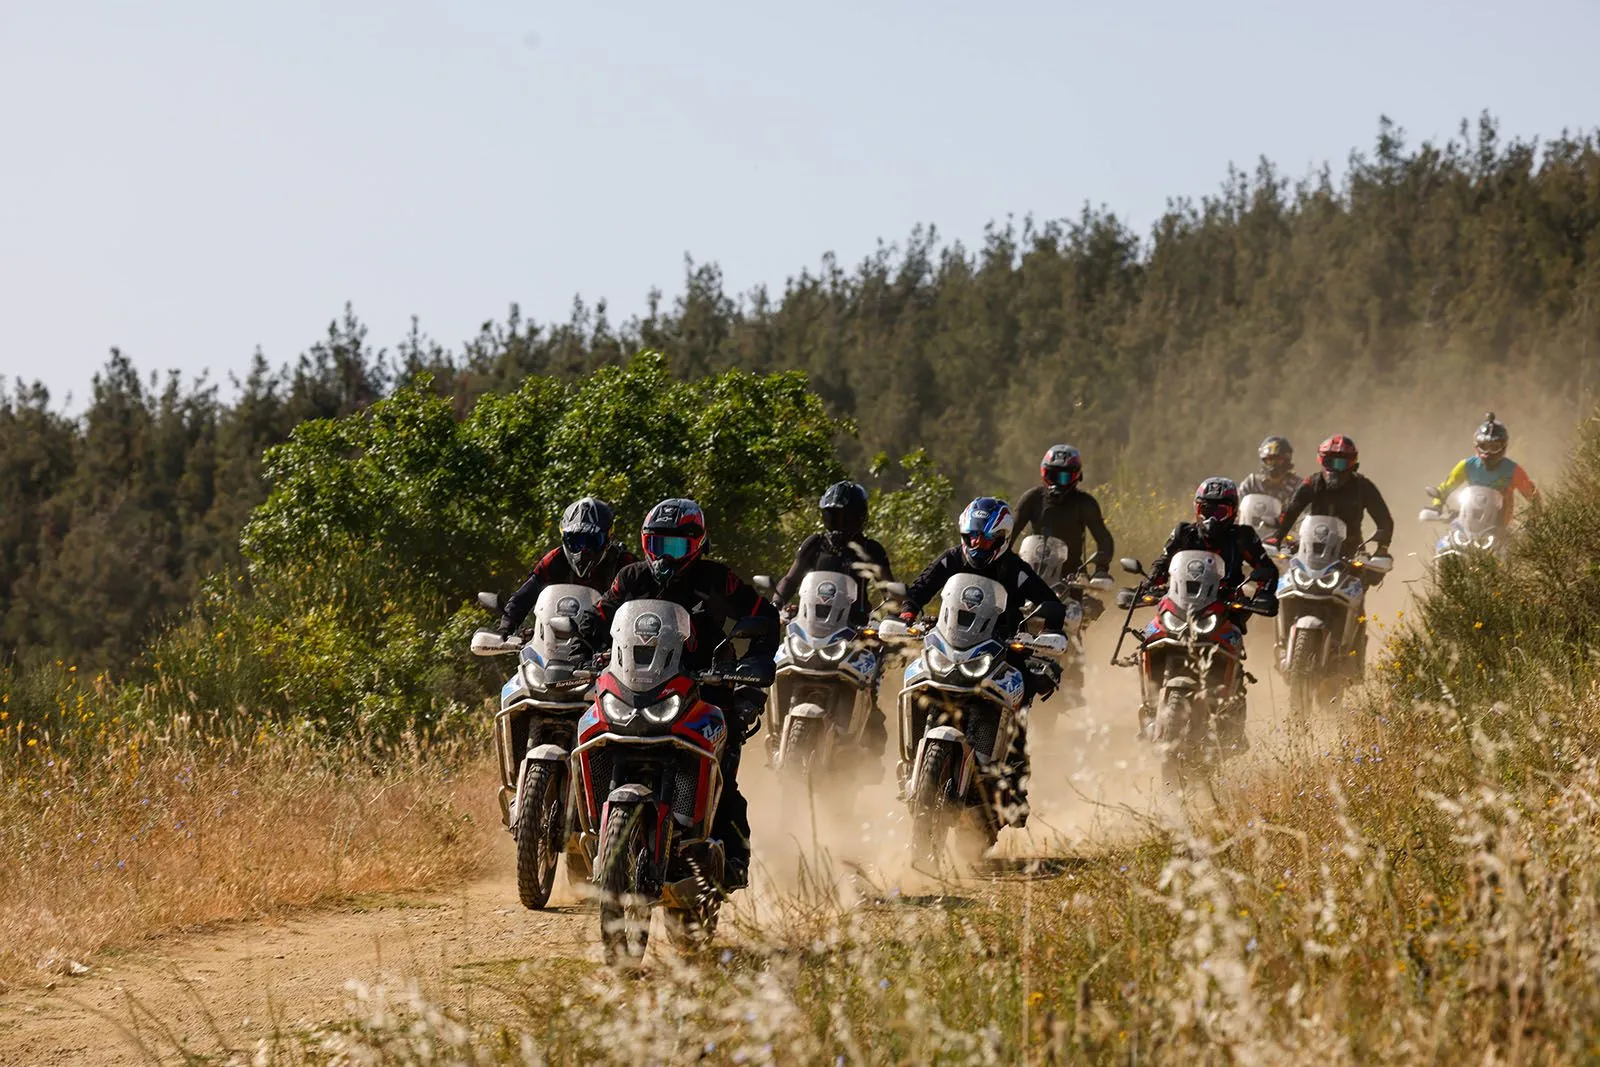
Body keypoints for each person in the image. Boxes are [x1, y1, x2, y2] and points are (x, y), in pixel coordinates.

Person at [577, 498, 779, 892]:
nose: (664, 556)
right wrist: (581, 641)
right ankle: (579, 831)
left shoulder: (718, 579)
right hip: (634, 686)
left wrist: (752, 669)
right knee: (591, 735)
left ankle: (732, 857)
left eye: (675, 546)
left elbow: (765, 617)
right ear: (645, 544)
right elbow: (601, 614)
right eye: (657, 545)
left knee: (726, 770)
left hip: (706, 688)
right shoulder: (631, 577)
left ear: (697, 544)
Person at [898, 497, 1066, 827]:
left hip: (1002, 648)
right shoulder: (951, 559)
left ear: (1002, 539)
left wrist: (1050, 630)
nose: (977, 544)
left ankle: (1013, 780)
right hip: (948, 644)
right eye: (972, 537)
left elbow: (1050, 603)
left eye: (986, 539)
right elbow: (921, 587)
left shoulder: (1015, 569)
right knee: (915, 681)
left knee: (1021, 692)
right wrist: (906, 613)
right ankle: (909, 761)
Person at [1146, 477, 1280, 751]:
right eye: (1206, 509)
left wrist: (1264, 594)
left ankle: (1232, 722)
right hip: (1181, 604)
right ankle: (1148, 706)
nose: (1212, 518)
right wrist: (1151, 584)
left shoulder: (1243, 536)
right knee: (1149, 637)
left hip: (1224, 607)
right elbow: (1163, 562)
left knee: (1233, 648)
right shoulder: (1184, 533)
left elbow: (1266, 568)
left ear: (1233, 512)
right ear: (1197, 509)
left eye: (1220, 511)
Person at [772, 480, 894, 766]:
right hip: (811, 626)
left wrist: (893, 615)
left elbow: (888, 588)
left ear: (860, 518)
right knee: (779, 668)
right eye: (832, 515)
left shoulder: (871, 549)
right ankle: (775, 731)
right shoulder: (815, 544)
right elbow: (791, 578)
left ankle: (867, 748)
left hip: (855, 631)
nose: (838, 523)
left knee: (870, 683)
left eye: (845, 517)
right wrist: (775, 604)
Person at [495, 497, 635, 636]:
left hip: (608, 642)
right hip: (551, 639)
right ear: (564, 538)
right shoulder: (555, 559)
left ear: (608, 539)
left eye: (592, 541)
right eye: (576, 541)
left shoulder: (625, 564)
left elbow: (642, 608)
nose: (583, 551)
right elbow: (523, 597)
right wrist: (505, 628)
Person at [1272, 435, 1395, 561]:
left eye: (1340, 463)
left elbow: (1384, 520)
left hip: (1351, 553)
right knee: (1283, 568)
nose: (1334, 468)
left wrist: (1382, 549)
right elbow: (1291, 510)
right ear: (1321, 461)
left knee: (1369, 571)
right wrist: (1278, 537)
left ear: (1351, 463)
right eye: (1329, 462)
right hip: (1309, 549)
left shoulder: (1363, 486)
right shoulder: (1312, 483)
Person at [1009, 444, 1116, 578]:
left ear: (1076, 476)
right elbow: (1010, 534)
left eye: (1064, 477)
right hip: (1032, 574)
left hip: (1072, 578)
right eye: (1052, 476)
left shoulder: (1085, 503)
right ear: (1043, 473)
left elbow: (1104, 539)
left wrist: (1101, 570)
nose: (1057, 483)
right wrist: (1001, 561)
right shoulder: (1031, 499)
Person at [1430, 412, 1538, 529]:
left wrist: (1534, 518)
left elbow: (1533, 496)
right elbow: (1445, 488)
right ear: (1477, 446)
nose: (1488, 452)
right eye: (1484, 446)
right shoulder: (1467, 465)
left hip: (1501, 528)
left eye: (1494, 447)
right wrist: (1437, 506)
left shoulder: (1513, 470)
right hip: (1466, 524)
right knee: (1445, 540)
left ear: (1503, 447)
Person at [1239, 436, 1298, 506]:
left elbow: (1305, 510)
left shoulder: (1297, 486)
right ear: (1263, 461)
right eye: (1270, 459)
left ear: (1286, 461)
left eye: (1278, 459)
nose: (1274, 464)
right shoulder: (1251, 484)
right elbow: (1238, 506)